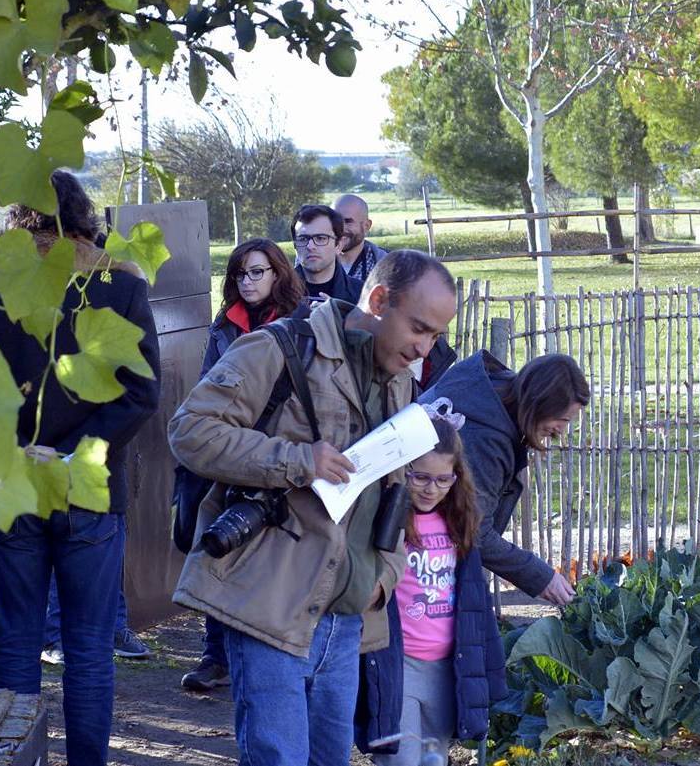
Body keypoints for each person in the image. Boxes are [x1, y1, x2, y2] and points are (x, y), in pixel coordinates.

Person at [170, 250, 459, 766]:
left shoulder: (398, 380)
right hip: (268, 608)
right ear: (378, 301)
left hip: (346, 624)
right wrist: (298, 460)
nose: (424, 348)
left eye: (435, 336)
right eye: (419, 328)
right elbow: (189, 433)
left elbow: (397, 490)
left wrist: (385, 577)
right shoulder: (279, 348)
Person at [0, 170, 160, 766]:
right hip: (90, 484)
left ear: (17, 215)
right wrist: (75, 451)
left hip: (9, 482)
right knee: (87, 647)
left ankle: (18, 760)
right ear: (83, 215)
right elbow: (142, 394)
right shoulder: (120, 285)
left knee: (15, 643)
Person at [179, 238, 306, 692]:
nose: (247, 282)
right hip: (228, 454)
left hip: (281, 456)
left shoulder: (299, 323)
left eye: (257, 273)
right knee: (219, 546)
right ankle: (216, 655)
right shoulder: (224, 325)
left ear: (277, 274)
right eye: (239, 274)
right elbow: (206, 388)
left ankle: (274, 651)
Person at [356, 414, 507, 765]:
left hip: (446, 666)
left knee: (434, 758)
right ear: (403, 470)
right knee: (400, 760)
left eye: (443, 479)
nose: (431, 488)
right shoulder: (389, 520)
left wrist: (486, 667)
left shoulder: (459, 522)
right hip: (399, 663)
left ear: (457, 478)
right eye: (420, 477)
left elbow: (474, 605)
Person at [418, 353, 588, 607]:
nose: (562, 430)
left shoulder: (485, 391)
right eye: (562, 419)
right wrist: (542, 577)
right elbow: (474, 530)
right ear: (540, 404)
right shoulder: (485, 438)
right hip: (418, 557)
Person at [292, 204, 362, 304]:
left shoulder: (362, 295)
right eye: (303, 239)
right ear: (295, 246)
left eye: (321, 238)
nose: (310, 246)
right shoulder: (275, 293)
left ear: (338, 245)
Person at [334, 194, 388, 286]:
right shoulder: (314, 259)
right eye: (335, 221)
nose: (340, 228)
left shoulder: (384, 266)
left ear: (366, 226)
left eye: (348, 221)